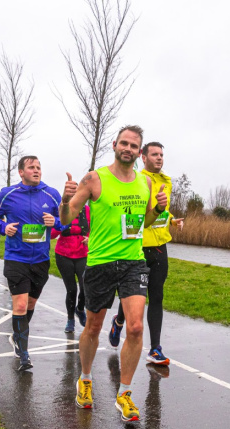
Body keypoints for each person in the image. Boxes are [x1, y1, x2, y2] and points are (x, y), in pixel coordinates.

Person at [59, 125, 167, 414]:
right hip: (100, 263)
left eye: (134, 145)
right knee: (93, 327)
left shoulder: (144, 184)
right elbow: (67, 218)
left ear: (139, 152)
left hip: (133, 262)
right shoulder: (95, 179)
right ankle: (84, 379)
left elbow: (141, 223)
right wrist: (64, 199)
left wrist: (156, 210)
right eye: (124, 143)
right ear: (114, 145)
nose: (128, 149)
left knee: (134, 327)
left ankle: (124, 393)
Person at [108, 141, 184, 365]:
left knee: (157, 297)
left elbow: (161, 210)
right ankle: (118, 321)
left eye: (162, 154)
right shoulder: (138, 181)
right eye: (154, 154)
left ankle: (155, 349)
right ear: (143, 156)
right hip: (138, 249)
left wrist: (171, 219)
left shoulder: (166, 182)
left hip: (160, 248)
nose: (159, 158)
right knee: (132, 298)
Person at [0, 156, 62, 371]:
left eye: (39, 167)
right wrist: (3, 227)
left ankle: (18, 334)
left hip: (41, 260)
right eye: (31, 167)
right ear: (21, 172)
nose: (36, 170)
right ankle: (24, 354)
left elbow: (65, 221)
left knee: (30, 305)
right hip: (16, 258)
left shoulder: (51, 194)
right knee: (19, 305)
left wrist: (55, 222)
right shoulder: (8, 193)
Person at [52, 202, 90, 333]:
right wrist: (60, 224)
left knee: (85, 287)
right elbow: (52, 233)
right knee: (71, 289)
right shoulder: (62, 210)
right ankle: (70, 319)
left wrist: (89, 238)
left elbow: (95, 229)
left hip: (83, 254)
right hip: (64, 254)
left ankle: (80, 309)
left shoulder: (88, 211)